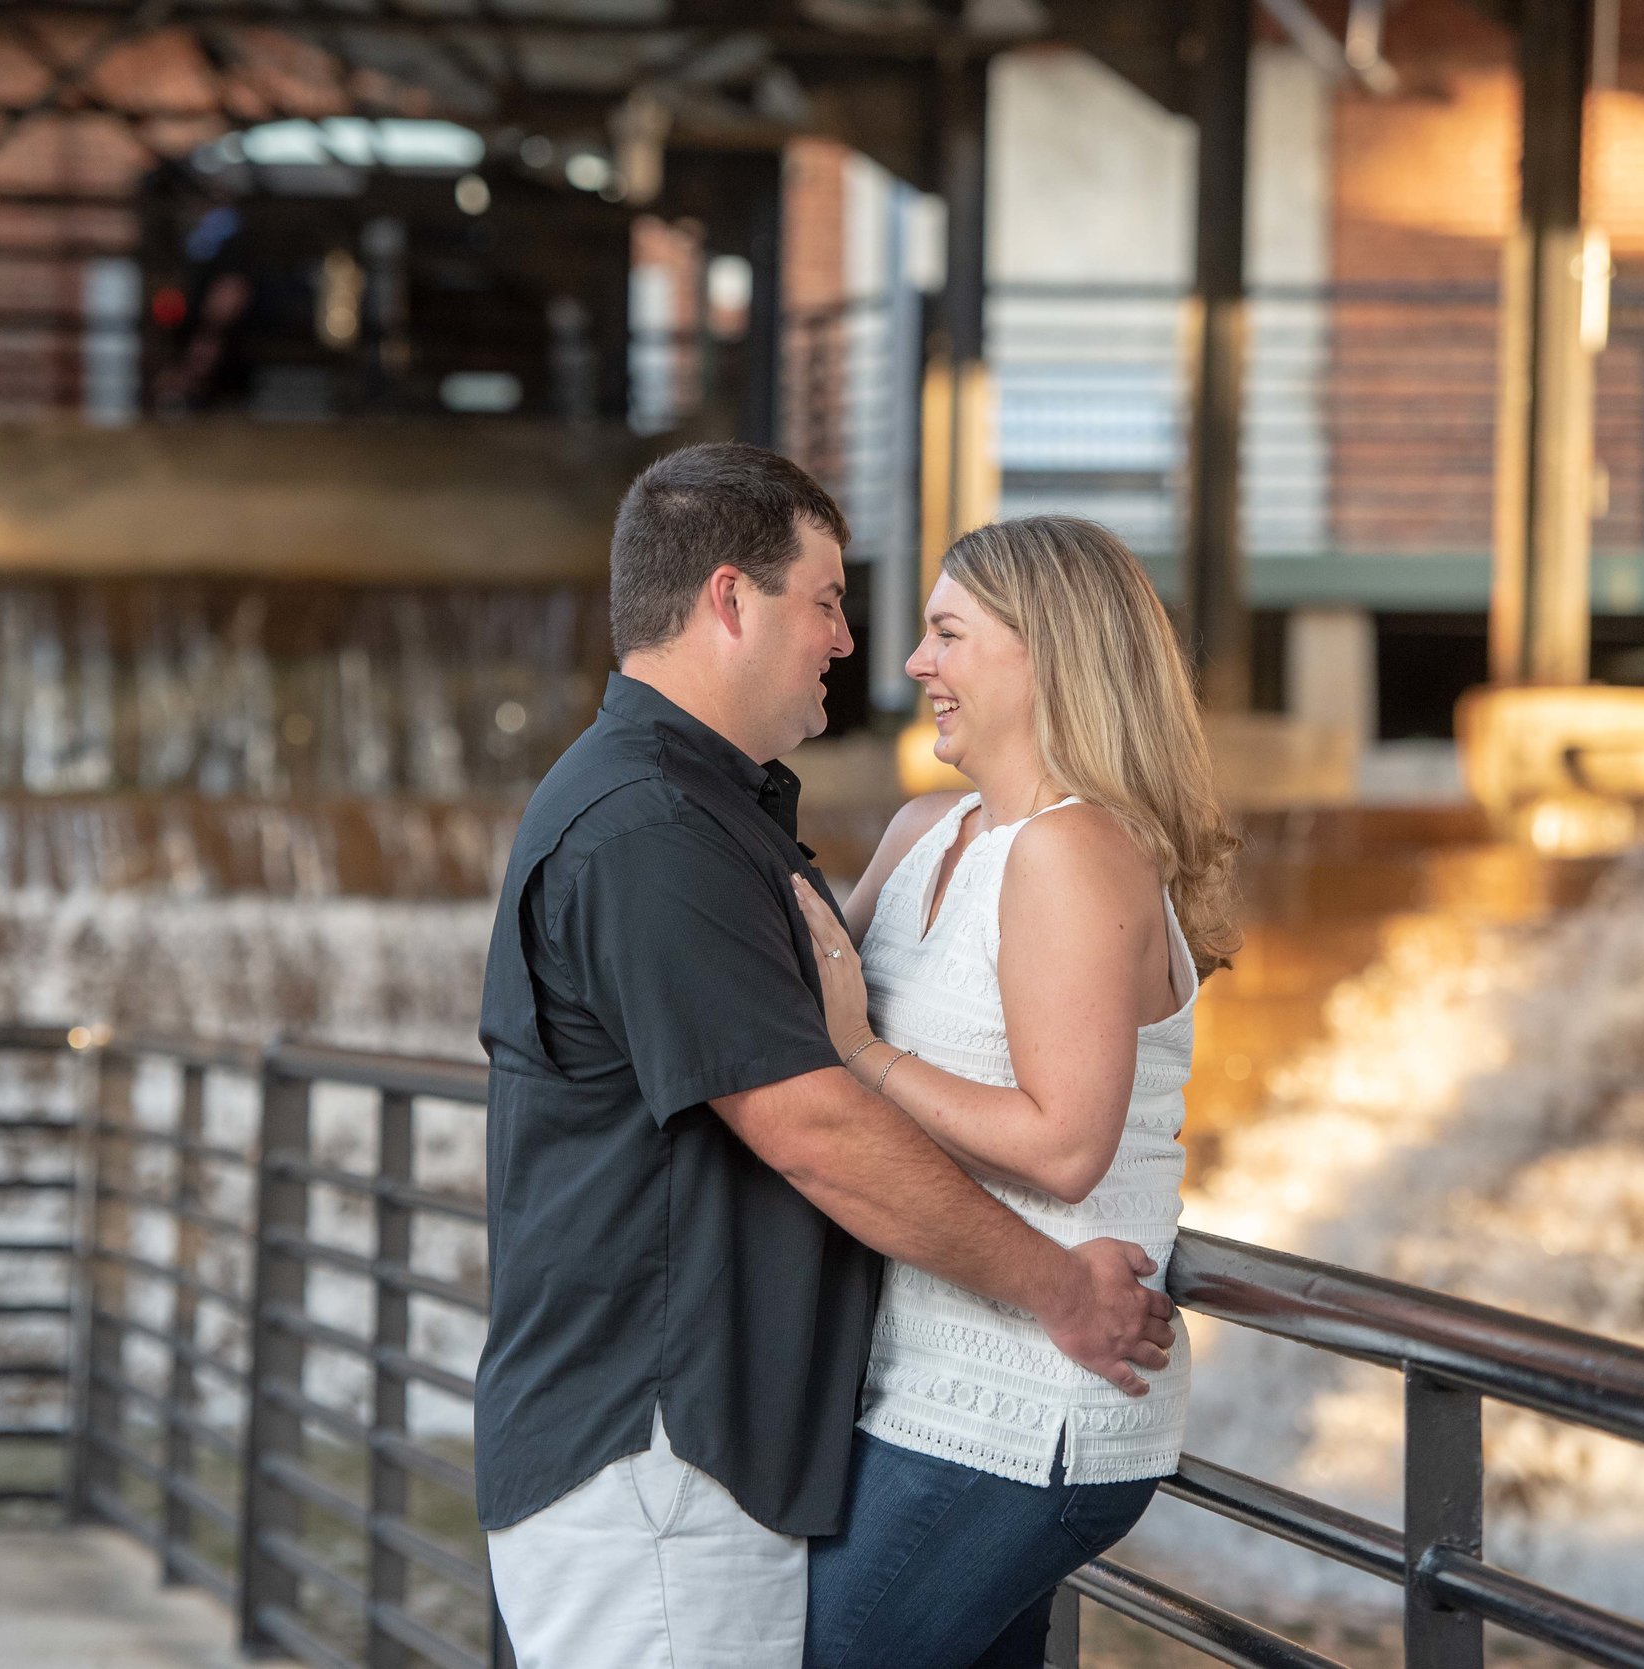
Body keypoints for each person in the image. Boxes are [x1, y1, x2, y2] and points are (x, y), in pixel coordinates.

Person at [474, 447, 1177, 1669]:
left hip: (816, 1426)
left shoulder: (711, 813)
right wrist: (1062, 1289)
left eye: (937, 629)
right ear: (731, 601)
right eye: (829, 602)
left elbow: (880, 1082)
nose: (863, 647)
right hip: (663, 1440)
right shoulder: (651, 829)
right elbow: (808, 1114)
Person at [788, 513, 1242, 1669]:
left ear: (1045, 651)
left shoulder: (1073, 850)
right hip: (908, 1381)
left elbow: (1063, 1144)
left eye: (946, 633)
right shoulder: (924, 828)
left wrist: (865, 1055)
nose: (912, 664)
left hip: (1033, 1406)